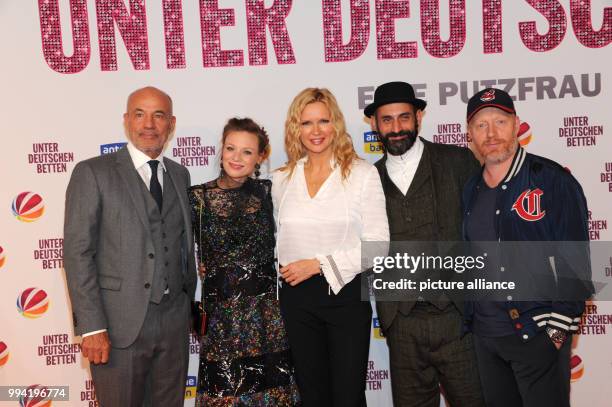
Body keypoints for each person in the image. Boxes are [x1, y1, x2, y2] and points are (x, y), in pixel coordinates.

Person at [64, 86, 197, 406]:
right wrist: (92, 326)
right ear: (126, 120)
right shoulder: (93, 172)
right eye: (140, 114)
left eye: (158, 115)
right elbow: (77, 252)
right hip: (117, 326)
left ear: (171, 123)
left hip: (174, 323)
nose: (149, 123)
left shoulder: (180, 174)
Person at [462, 88, 593, 407]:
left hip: (537, 336)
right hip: (487, 340)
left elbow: (576, 270)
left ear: (517, 124)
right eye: (481, 125)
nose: (491, 133)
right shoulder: (471, 188)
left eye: (500, 121)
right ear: (470, 135)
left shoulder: (552, 181)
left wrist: (553, 339)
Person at [364, 81, 484, 407]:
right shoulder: (366, 180)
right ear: (374, 124)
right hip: (402, 324)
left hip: (458, 319)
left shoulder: (459, 162)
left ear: (419, 116)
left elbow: (486, 233)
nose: (396, 128)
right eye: (386, 120)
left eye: (404, 117)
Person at [272, 87, 389, 407]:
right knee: (312, 395)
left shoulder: (362, 174)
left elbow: (378, 247)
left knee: (348, 396)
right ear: (295, 128)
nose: (316, 130)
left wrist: (319, 264)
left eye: (323, 120)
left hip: (346, 296)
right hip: (296, 300)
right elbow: (276, 240)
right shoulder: (281, 179)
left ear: (336, 124)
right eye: (306, 122)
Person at [189, 117, 300, 406]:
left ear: (261, 157)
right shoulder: (197, 198)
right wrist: (199, 268)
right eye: (230, 148)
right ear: (221, 150)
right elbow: (173, 249)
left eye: (247, 152)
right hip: (221, 322)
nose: (236, 158)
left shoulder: (270, 191)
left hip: (266, 319)